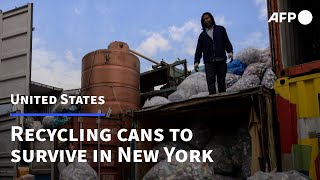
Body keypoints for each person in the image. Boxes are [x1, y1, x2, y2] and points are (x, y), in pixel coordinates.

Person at [194, 12, 233, 94]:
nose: (206, 20)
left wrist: (230, 51)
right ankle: (213, 99)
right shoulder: (202, 35)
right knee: (210, 81)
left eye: (207, 18)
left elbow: (226, 41)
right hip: (209, 62)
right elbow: (199, 49)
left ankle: (222, 98)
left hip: (221, 59)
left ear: (211, 18)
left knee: (221, 80)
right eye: (204, 20)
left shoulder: (220, 29)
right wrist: (196, 61)